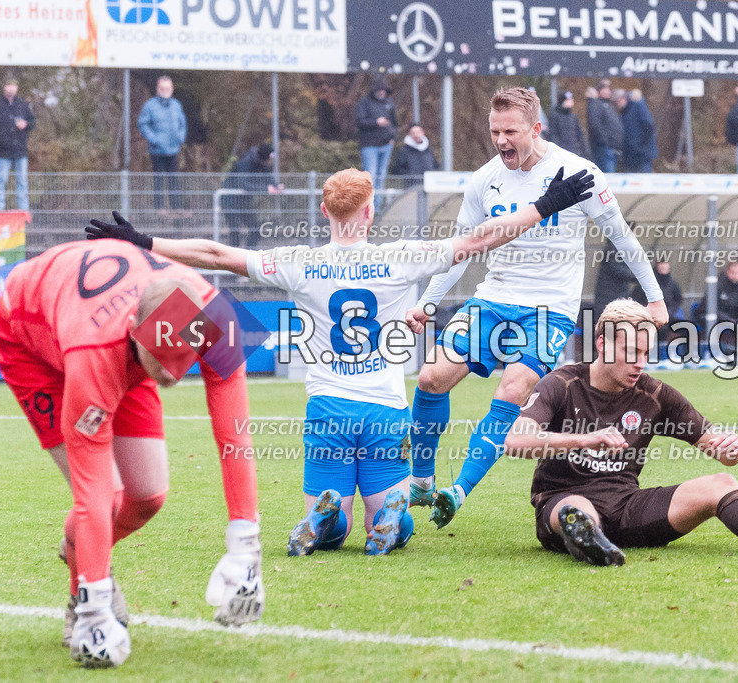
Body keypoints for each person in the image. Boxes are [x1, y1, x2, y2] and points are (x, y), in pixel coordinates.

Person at [85, 166, 593, 557]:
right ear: (369, 213)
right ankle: (392, 516)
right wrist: (549, 203)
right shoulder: (402, 257)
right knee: (390, 530)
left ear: (324, 213)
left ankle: (326, 519)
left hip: (328, 407)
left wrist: (145, 242)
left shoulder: (300, 263)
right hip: (386, 412)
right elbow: (484, 236)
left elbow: (217, 254)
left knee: (334, 531)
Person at [0, 238, 264, 668]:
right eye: (162, 361)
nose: (174, 373)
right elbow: (93, 491)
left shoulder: (216, 319)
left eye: (185, 358)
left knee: (147, 494)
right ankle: (83, 596)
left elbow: (236, 438)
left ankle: (81, 549)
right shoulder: (97, 350)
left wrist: (246, 549)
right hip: (31, 340)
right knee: (105, 495)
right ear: (135, 334)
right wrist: (96, 607)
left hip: (110, 330)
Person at [404, 86, 666, 529]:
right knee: (431, 377)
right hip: (493, 298)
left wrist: (655, 297)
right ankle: (422, 481)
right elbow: (463, 249)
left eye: (511, 131)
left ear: (535, 128)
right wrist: (428, 302)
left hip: (550, 308)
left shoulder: (578, 173)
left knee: (511, 390)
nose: (502, 140)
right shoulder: (483, 179)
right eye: (495, 132)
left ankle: (458, 490)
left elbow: (622, 236)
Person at [504, 299, 738, 566]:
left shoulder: (654, 395)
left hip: (628, 508)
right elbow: (516, 441)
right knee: (575, 510)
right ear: (602, 344)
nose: (639, 362)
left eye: (646, 353)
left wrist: (730, 449)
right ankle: (588, 540)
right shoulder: (561, 384)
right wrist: (585, 438)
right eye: (630, 352)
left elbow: (715, 444)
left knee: (720, 482)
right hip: (564, 499)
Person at [137, 76, 187, 214]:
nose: (165, 91)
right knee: (158, 180)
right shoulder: (150, 106)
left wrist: (180, 138)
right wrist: (153, 139)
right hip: (157, 150)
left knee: (174, 180)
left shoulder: (176, 105)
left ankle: (176, 207)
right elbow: (142, 124)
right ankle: (159, 208)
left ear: (172, 89)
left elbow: (182, 123)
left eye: (168, 88)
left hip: (173, 149)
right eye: (163, 88)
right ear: (158, 89)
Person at [221, 144, 284, 249]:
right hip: (230, 199)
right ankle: (234, 258)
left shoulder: (262, 161)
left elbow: (267, 175)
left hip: (244, 200)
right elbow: (243, 184)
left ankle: (249, 255)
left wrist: (276, 186)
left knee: (255, 227)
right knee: (235, 230)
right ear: (264, 158)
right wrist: (266, 189)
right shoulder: (246, 161)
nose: (269, 163)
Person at [356, 75, 398, 211]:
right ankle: (367, 206)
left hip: (386, 145)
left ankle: (377, 208)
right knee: (370, 177)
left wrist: (393, 136)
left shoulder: (389, 103)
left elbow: (395, 123)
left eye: (384, 90)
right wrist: (375, 122)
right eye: (379, 89)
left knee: (381, 177)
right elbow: (360, 122)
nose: (381, 92)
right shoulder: (364, 102)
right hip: (369, 146)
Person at [0, 77, 35, 212]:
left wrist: (26, 124)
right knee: (0, 180)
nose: (10, 88)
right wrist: (1, 138)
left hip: (20, 151)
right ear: (4, 87)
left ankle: (23, 211)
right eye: (8, 85)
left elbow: (32, 122)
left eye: (13, 85)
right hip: (2, 151)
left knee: (22, 181)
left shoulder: (23, 104)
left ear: (16, 88)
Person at [613, 88, 657, 173]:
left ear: (623, 98)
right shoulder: (624, 111)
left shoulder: (638, 105)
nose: (617, 105)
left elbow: (648, 124)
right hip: (631, 153)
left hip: (642, 153)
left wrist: (643, 146)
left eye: (617, 102)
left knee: (645, 179)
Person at [586, 80, 623, 173]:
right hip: (604, 149)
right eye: (604, 89)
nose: (607, 91)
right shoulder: (595, 104)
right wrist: (604, 142)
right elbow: (594, 124)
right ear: (598, 91)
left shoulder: (609, 106)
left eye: (608, 89)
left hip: (613, 149)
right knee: (607, 177)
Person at [547, 91, 590, 159]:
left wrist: (584, 150)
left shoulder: (573, 117)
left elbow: (580, 134)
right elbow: (553, 135)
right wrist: (559, 150)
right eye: (568, 100)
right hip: (560, 153)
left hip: (573, 151)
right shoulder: (554, 116)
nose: (571, 102)